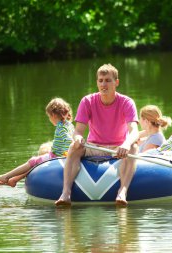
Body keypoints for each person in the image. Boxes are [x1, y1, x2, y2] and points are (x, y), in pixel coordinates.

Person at [55, 63, 139, 207]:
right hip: (93, 146)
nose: (103, 84)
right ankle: (66, 193)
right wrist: (78, 138)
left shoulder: (127, 102)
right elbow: (78, 131)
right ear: (97, 83)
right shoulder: (87, 101)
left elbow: (134, 131)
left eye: (108, 80)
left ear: (116, 82)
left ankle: (122, 191)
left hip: (117, 148)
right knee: (74, 147)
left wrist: (126, 144)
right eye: (100, 80)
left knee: (134, 147)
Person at [0, 97, 74, 187]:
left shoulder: (60, 128)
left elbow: (68, 139)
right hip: (63, 155)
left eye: (49, 116)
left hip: (56, 156)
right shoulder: (69, 124)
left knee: (32, 161)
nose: (50, 119)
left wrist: (72, 143)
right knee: (35, 163)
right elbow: (69, 137)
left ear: (53, 115)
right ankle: (13, 179)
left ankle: (6, 176)